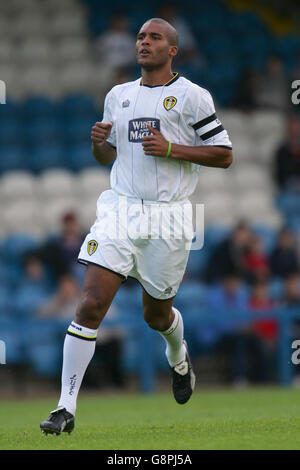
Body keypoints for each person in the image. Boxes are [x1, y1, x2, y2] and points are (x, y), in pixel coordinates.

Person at [40, 18, 233, 435]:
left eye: (155, 37)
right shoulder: (118, 95)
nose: (144, 42)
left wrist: (171, 148)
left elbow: (224, 154)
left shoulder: (193, 97)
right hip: (121, 209)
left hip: (171, 215)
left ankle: (178, 355)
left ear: (173, 50)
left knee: (156, 315)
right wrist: (98, 144)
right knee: (91, 303)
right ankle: (64, 409)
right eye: (141, 37)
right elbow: (107, 158)